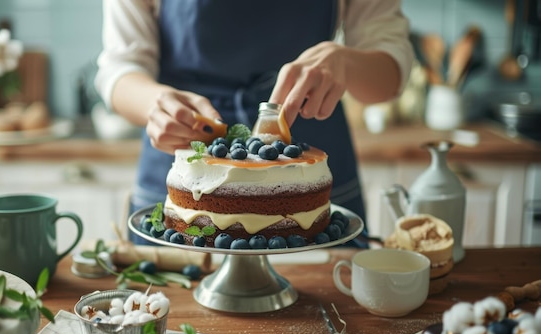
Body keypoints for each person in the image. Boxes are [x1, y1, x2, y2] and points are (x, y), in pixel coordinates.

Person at [95, 0, 414, 246]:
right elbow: (120, 66)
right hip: (185, 163)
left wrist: (346, 61)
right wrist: (156, 105)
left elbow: (390, 67)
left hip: (309, 164)